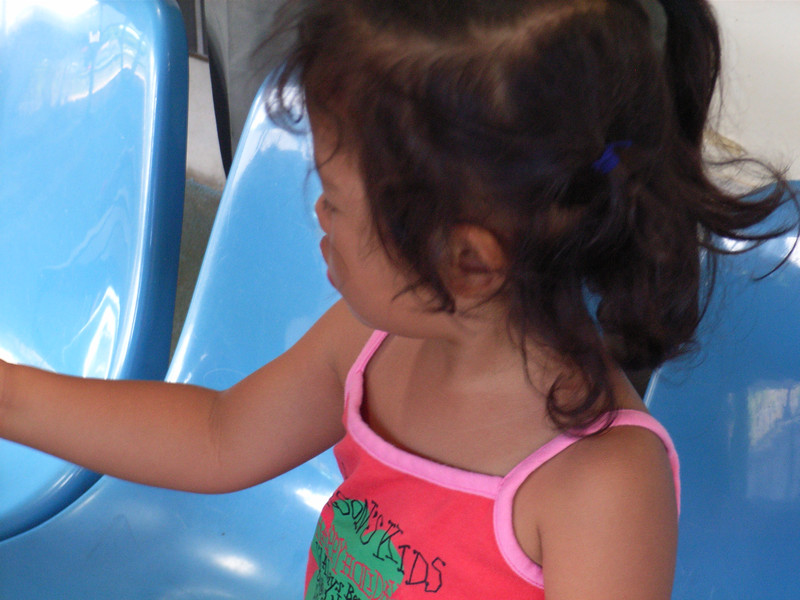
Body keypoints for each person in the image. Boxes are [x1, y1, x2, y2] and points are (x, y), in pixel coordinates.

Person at [1, 0, 796, 598]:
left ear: (470, 262)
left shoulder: (601, 483)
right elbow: (219, 436)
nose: (317, 215)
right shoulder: (372, 343)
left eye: (336, 199)